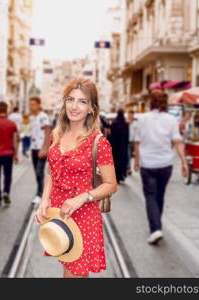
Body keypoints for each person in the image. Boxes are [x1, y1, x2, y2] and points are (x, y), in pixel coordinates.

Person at [34, 78, 117, 278]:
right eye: (70, 100)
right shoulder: (57, 135)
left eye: (82, 101)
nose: (74, 106)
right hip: (58, 213)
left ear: (91, 108)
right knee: (69, 272)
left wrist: (82, 197)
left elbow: (111, 184)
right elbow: (51, 172)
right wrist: (44, 200)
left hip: (83, 216)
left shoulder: (99, 142)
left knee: (73, 275)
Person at [134, 90, 188, 245]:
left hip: (148, 164)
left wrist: (137, 161)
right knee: (160, 195)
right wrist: (184, 162)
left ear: (151, 102)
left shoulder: (142, 119)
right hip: (165, 164)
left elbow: (138, 142)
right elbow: (177, 142)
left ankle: (155, 228)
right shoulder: (171, 120)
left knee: (150, 196)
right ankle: (157, 227)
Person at [29, 97, 51, 204]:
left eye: (33, 104)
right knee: (36, 172)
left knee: (39, 171)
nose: (31, 106)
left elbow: (48, 132)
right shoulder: (32, 117)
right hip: (33, 148)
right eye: (30, 104)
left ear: (38, 105)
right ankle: (42, 191)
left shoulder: (43, 117)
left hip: (41, 148)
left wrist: (45, 148)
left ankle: (39, 194)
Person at [110, 109, 129, 183]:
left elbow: (111, 136)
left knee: (116, 161)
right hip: (123, 146)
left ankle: (117, 177)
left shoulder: (114, 123)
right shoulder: (125, 124)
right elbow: (127, 136)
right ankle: (121, 175)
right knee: (122, 161)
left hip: (115, 146)